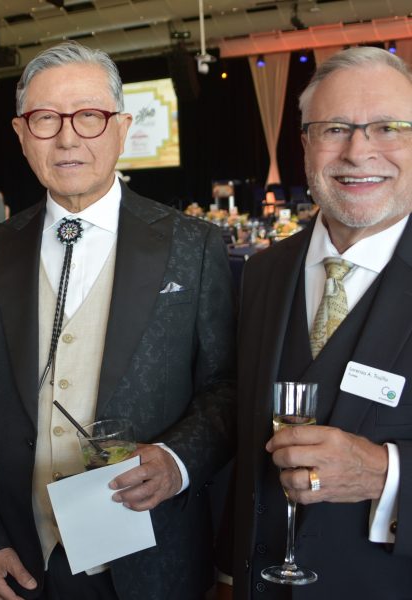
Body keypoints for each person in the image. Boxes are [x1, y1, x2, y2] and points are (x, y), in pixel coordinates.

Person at [0, 41, 236, 600]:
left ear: (123, 128)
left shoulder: (195, 246)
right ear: (20, 133)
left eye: (89, 116)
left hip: (151, 555)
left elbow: (227, 387)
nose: (67, 138)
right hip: (24, 558)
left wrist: (177, 460)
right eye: (45, 119)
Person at [217, 46, 412, 599]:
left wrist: (385, 474)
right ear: (305, 144)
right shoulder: (261, 273)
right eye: (335, 129)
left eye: (388, 128)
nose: (358, 151)